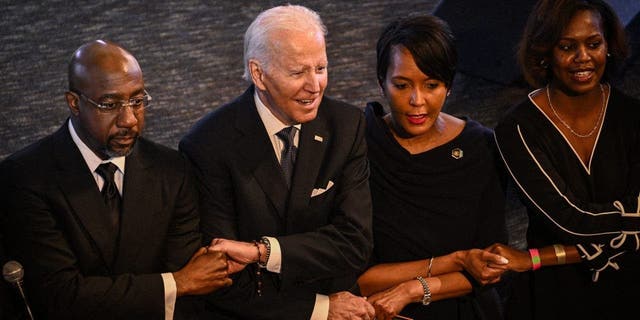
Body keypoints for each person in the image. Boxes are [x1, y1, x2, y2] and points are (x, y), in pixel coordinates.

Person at [0, 40, 233, 319]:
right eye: (109, 104)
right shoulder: (25, 177)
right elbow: (60, 295)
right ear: (74, 103)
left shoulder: (173, 170)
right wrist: (176, 283)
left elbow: (195, 290)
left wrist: (181, 285)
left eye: (137, 101)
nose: (130, 120)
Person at [179, 4, 375, 320]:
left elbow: (356, 243)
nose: (315, 86)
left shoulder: (347, 126)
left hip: (343, 304)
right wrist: (320, 310)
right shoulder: (207, 145)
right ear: (259, 73)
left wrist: (262, 252)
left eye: (321, 68)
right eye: (298, 72)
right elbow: (220, 271)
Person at [356, 13, 510, 320]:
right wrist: (455, 261)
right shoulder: (358, 145)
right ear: (381, 84)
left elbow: (491, 266)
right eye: (401, 85)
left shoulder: (481, 146)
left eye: (432, 85)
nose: (417, 100)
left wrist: (413, 289)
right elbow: (359, 278)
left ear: (449, 86)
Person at [492, 0, 640, 319]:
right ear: (544, 52)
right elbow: (571, 221)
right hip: (557, 298)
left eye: (594, 43)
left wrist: (538, 257)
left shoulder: (633, 118)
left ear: (609, 47)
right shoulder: (516, 129)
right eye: (567, 46)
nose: (582, 57)